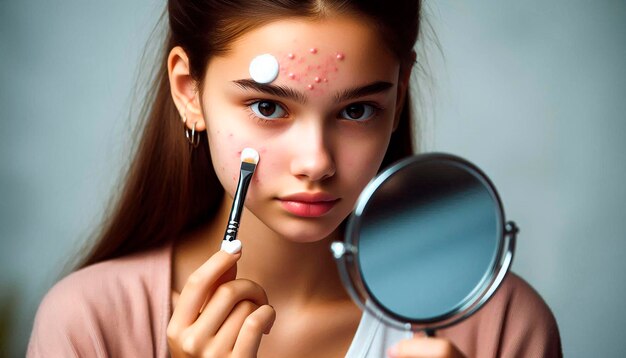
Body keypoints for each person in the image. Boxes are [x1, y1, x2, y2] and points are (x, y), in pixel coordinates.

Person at [27, 1, 562, 357]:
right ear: (190, 92)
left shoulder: (500, 323)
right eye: (267, 106)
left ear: (398, 99)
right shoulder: (89, 325)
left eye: (357, 111)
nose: (315, 161)